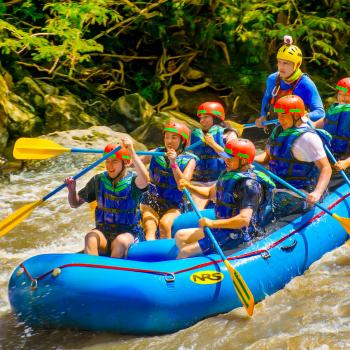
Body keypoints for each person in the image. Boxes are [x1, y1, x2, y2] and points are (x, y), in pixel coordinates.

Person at [175, 138, 275, 258]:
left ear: (243, 160)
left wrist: (212, 223)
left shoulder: (250, 185)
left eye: (230, 158)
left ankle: (195, 267)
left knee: (185, 252)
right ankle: (203, 261)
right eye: (225, 157)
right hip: (222, 230)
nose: (226, 160)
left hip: (237, 236)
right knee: (180, 236)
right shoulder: (230, 175)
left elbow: (243, 220)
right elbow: (208, 193)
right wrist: (189, 186)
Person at [64, 137, 149, 258]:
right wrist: (72, 190)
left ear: (125, 163)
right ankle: (92, 271)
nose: (109, 166)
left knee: (120, 242)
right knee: (90, 237)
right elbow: (75, 204)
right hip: (104, 233)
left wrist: (131, 150)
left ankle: (113, 273)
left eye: (114, 161)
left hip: (129, 234)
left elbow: (146, 180)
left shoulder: (134, 182)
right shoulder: (98, 180)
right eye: (107, 161)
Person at [255, 95, 332, 217]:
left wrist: (317, 193)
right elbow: (267, 158)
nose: (280, 119)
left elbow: (326, 168)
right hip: (277, 188)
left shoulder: (308, 138)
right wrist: (248, 159)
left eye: (284, 115)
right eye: (278, 115)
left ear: (296, 115)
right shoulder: (279, 131)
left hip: (300, 193)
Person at [140, 121, 197, 240]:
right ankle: (149, 254)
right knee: (149, 225)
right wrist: (125, 154)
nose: (169, 141)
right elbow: (134, 162)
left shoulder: (189, 161)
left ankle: (167, 255)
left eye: (174, 138)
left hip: (174, 204)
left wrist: (173, 163)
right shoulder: (156, 153)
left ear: (182, 141)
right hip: (152, 200)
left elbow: (182, 185)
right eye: (166, 137)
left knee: (165, 225)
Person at [256, 35, 324, 128]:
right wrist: (263, 116)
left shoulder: (306, 84)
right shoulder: (272, 79)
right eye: (279, 62)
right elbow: (266, 99)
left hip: (297, 130)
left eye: (286, 63)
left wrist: (305, 116)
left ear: (297, 65)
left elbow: (320, 112)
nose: (281, 67)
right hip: (276, 129)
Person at [189, 101, 238, 209]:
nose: (202, 120)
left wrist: (213, 144)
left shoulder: (228, 134)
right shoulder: (195, 135)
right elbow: (184, 155)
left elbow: (234, 159)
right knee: (196, 207)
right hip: (198, 181)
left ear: (216, 118)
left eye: (206, 117)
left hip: (219, 180)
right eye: (200, 118)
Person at [314, 77, 350, 172]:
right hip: (329, 157)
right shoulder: (336, 109)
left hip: (345, 162)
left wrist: (346, 162)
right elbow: (325, 120)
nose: (342, 98)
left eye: (347, 95)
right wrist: (311, 125)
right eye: (340, 94)